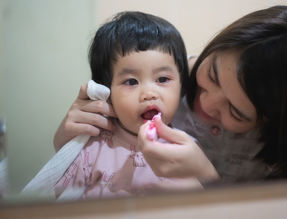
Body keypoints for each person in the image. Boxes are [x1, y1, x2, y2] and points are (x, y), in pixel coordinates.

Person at [54, 5, 287, 183]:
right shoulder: (166, 80)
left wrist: (205, 178)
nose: (205, 102)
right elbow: (71, 162)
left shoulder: (282, 157)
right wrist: (69, 137)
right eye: (213, 76)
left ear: (275, 122)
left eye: (235, 111)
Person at [43, 11, 201, 199]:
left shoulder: (188, 150)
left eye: (163, 79)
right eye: (131, 82)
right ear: (106, 93)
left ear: (181, 87)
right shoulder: (92, 150)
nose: (149, 94)